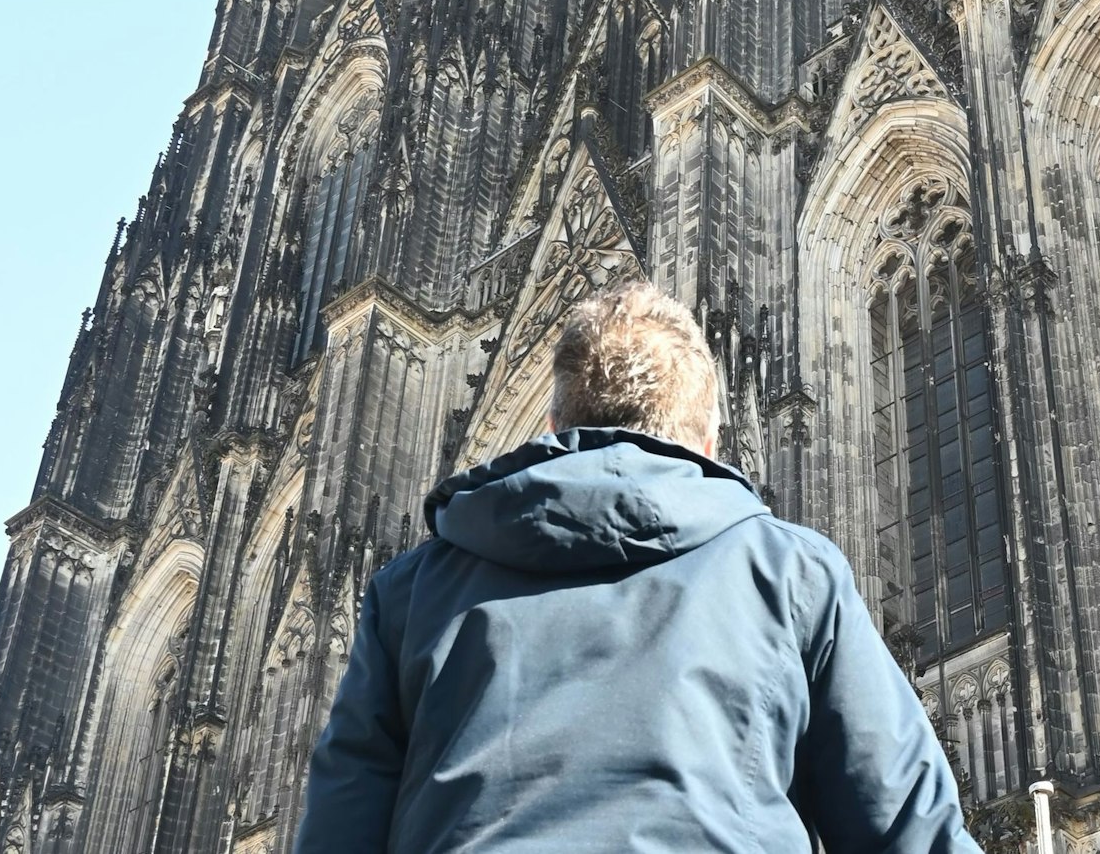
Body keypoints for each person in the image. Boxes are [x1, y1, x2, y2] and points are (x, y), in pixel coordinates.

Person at [295, 280, 979, 854]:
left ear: (554, 427)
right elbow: (910, 827)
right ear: (707, 438)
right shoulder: (792, 576)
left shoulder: (409, 594)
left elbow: (339, 829)